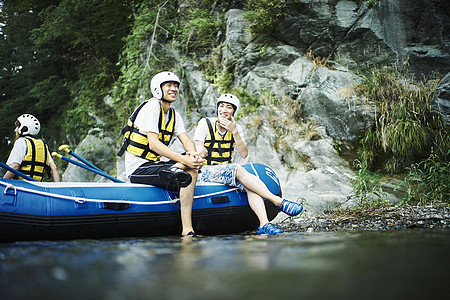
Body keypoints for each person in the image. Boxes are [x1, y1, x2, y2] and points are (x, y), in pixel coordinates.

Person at [194, 94, 303, 235]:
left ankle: (264, 224)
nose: (224, 110)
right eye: (221, 106)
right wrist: (200, 154)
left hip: (225, 170)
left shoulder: (236, 128)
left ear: (234, 111)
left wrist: (234, 132)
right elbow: (199, 148)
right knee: (238, 169)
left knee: (250, 186)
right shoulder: (205, 123)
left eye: (229, 107)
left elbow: (244, 154)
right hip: (206, 171)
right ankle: (278, 201)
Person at [118, 71, 204, 237]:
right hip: (139, 169)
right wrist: (183, 159)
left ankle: (187, 230)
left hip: (156, 166)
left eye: (176, 86)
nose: (174, 89)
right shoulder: (152, 107)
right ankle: (175, 170)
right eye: (169, 85)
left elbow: (186, 140)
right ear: (158, 89)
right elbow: (154, 144)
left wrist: (194, 156)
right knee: (187, 166)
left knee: (192, 169)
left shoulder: (174, 114)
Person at [3, 114, 60, 182]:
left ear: (24, 128)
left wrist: (2, 182)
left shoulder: (21, 142)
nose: (15, 130)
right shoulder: (43, 145)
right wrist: (57, 186)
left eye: (17, 127)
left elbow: (15, 167)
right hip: (37, 188)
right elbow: (54, 168)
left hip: (21, 187)